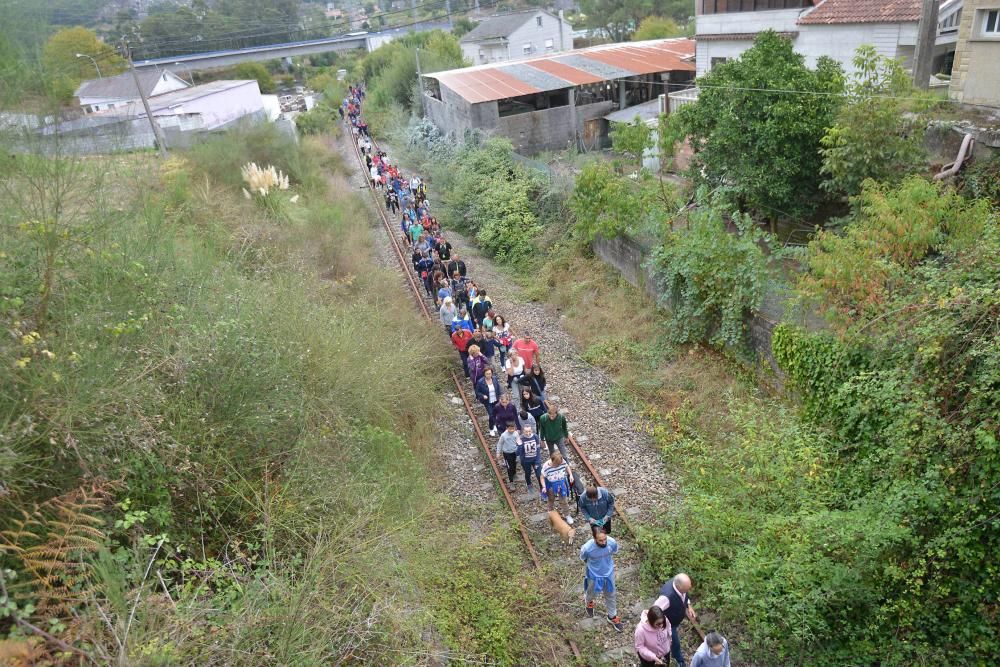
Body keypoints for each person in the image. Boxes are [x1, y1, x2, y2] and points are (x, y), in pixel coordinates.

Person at [580, 528, 623, 632]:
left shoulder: (611, 543)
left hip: (609, 574)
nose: (604, 542)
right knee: (591, 593)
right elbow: (583, 558)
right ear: (594, 538)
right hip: (594, 575)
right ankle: (589, 601)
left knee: (611, 594)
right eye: (600, 540)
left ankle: (612, 616)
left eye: (605, 539)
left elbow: (614, 551)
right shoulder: (587, 548)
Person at [654, 573, 698, 667]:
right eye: (687, 589)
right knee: (675, 642)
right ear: (679, 587)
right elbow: (654, 609)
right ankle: (679, 661)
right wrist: (659, 625)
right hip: (668, 624)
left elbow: (685, 595)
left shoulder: (681, 585)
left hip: (675, 620)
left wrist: (689, 606)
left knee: (673, 641)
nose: (688, 590)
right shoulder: (666, 597)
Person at [540, 451, 575, 523]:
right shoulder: (546, 466)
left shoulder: (562, 461)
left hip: (561, 483)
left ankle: (567, 515)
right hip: (551, 485)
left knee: (564, 500)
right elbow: (542, 477)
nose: (558, 466)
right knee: (551, 499)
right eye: (556, 464)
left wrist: (570, 475)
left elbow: (567, 466)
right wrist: (544, 487)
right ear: (552, 460)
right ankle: (550, 513)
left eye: (559, 464)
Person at [476, 368, 503, 435]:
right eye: (487, 374)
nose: (489, 375)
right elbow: (477, 392)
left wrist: (501, 396)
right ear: (484, 374)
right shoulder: (480, 382)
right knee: (491, 415)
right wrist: (483, 396)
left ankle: (494, 425)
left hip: (495, 400)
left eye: (490, 373)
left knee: (496, 414)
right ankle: (491, 428)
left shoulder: (494, 379)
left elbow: (498, 388)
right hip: (488, 401)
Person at [516, 424, 543, 492]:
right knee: (528, 473)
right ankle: (529, 484)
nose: (528, 433)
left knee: (539, 474)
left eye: (529, 431)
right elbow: (517, 453)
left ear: (531, 430)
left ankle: (542, 488)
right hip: (526, 461)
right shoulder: (520, 438)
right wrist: (520, 445)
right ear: (523, 431)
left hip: (535, 459)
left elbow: (538, 449)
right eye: (526, 431)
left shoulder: (535, 436)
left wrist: (537, 461)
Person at [495, 420, 520, 485]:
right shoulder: (503, 435)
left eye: (513, 429)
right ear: (506, 428)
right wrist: (498, 453)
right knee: (509, 467)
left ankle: (514, 474)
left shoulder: (516, 433)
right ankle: (511, 481)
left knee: (514, 464)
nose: (512, 430)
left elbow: (518, 441)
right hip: (507, 453)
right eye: (510, 429)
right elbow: (499, 444)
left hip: (514, 452)